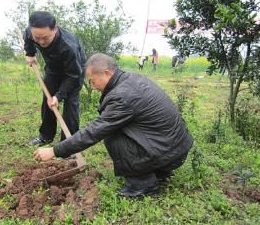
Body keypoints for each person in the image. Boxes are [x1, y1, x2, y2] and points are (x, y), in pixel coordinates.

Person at [34, 53, 194, 198]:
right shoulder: (132, 79)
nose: (93, 86)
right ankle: (159, 171)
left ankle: (143, 185)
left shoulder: (122, 96)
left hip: (170, 153)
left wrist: (54, 150)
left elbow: (94, 132)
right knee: (119, 129)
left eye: (92, 80)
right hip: (176, 147)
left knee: (112, 136)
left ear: (107, 73)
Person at [24, 11, 86, 146]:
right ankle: (45, 136)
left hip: (74, 71)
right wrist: (30, 53)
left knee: (70, 105)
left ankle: (69, 143)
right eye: (37, 38)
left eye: (45, 38)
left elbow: (73, 76)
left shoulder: (69, 46)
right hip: (53, 69)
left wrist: (59, 96)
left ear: (55, 29)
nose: (41, 41)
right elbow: (28, 37)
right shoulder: (32, 32)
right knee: (48, 100)